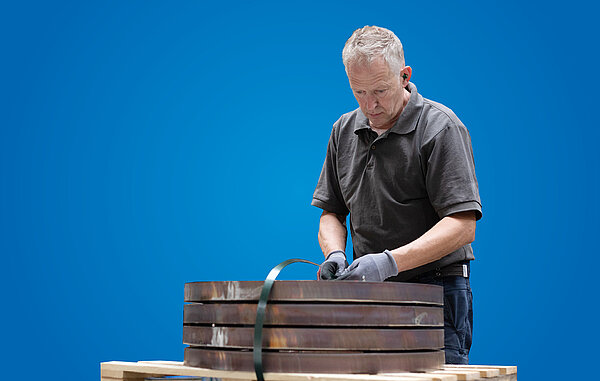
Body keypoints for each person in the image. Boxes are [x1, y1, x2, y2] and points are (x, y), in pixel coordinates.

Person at [312, 26, 482, 364]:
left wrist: (388, 262)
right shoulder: (343, 130)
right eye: (358, 92)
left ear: (404, 76)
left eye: (380, 90)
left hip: (436, 293)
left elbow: (463, 225)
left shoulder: (440, 128)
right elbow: (331, 211)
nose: (370, 104)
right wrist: (335, 254)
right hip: (369, 294)